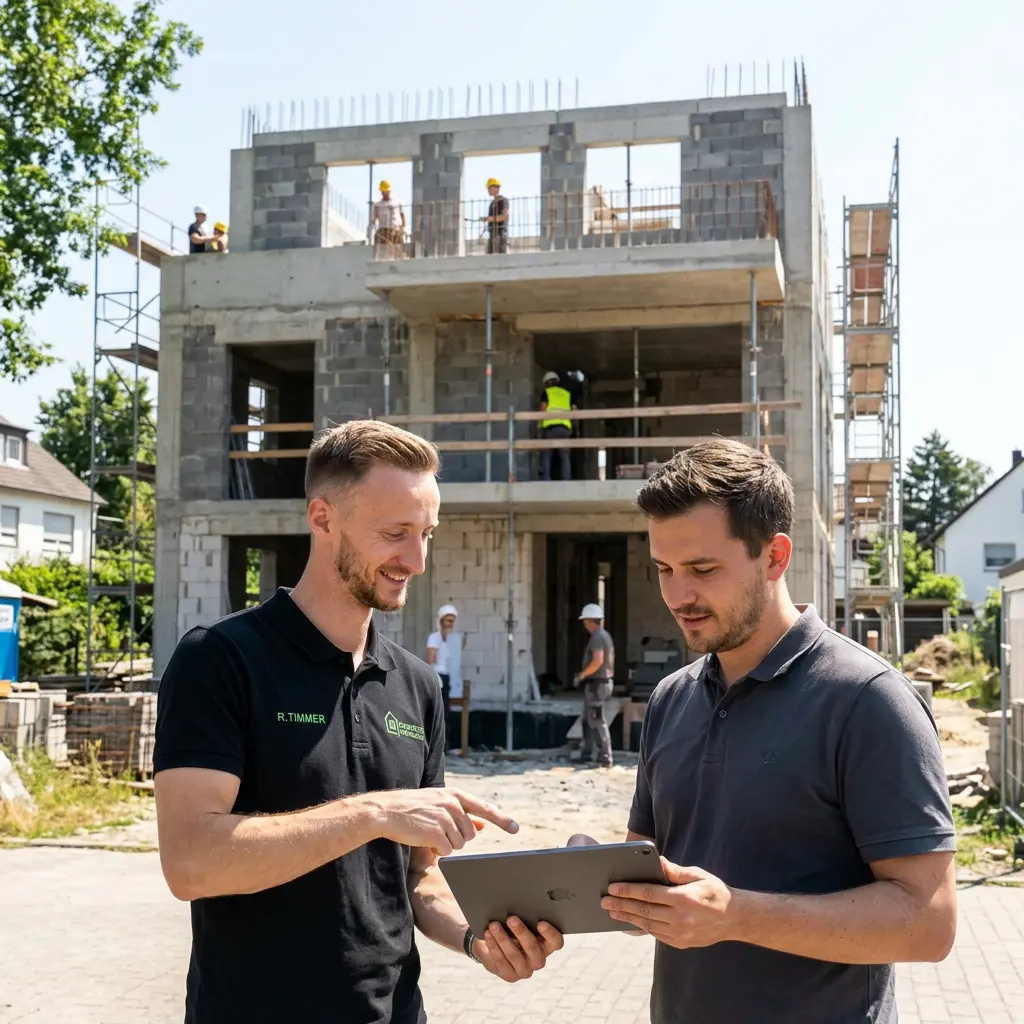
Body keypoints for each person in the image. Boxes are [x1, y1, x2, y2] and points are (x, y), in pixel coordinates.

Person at [153, 420, 563, 1024]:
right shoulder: (220, 658)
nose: (417, 560)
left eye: (426, 533)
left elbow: (419, 879)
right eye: (395, 533)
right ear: (323, 518)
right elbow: (191, 862)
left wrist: (480, 938)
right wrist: (373, 812)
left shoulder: (416, 686)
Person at [586, 438, 956, 1023]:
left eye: (704, 569)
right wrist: (589, 881)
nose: (679, 595)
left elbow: (929, 924)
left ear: (775, 557)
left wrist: (736, 915)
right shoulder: (670, 699)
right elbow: (663, 884)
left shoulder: (868, 700)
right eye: (664, 569)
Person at [573, 603, 615, 769]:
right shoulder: (604, 635)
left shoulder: (597, 637)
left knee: (597, 721)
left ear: (590, 621)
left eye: (585, 621)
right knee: (587, 720)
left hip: (598, 684)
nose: (584, 624)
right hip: (599, 684)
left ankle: (605, 757)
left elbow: (597, 660)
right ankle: (587, 753)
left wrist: (582, 675)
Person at [426, 603, 464, 749]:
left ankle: (444, 745)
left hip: (448, 679)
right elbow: (432, 660)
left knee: (446, 713)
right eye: (448, 620)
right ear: (441, 621)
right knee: (437, 713)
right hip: (438, 678)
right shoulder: (434, 638)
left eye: (452, 620)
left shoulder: (453, 639)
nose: (450, 623)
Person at [538, 371, 576, 481]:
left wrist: (539, 425)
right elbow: (574, 410)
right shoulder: (567, 393)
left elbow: (543, 409)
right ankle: (566, 479)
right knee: (564, 456)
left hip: (550, 427)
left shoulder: (546, 392)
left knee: (546, 454)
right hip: (564, 428)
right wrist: (574, 426)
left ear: (546, 383)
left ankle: (546, 479)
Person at [371, 180, 407, 258]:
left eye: (387, 191)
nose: (385, 193)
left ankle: (400, 257)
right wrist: (373, 218)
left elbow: (402, 214)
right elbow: (374, 218)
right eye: (384, 191)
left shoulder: (397, 203)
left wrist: (403, 226)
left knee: (398, 247)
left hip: (395, 230)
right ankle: (379, 258)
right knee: (383, 246)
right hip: (384, 230)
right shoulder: (378, 205)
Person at [480, 177, 508, 254]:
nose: (488, 190)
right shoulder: (492, 203)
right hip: (492, 235)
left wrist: (490, 219)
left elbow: (504, 216)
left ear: (497, 189)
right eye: (488, 188)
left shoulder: (503, 201)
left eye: (490, 187)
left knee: (499, 259)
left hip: (500, 234)